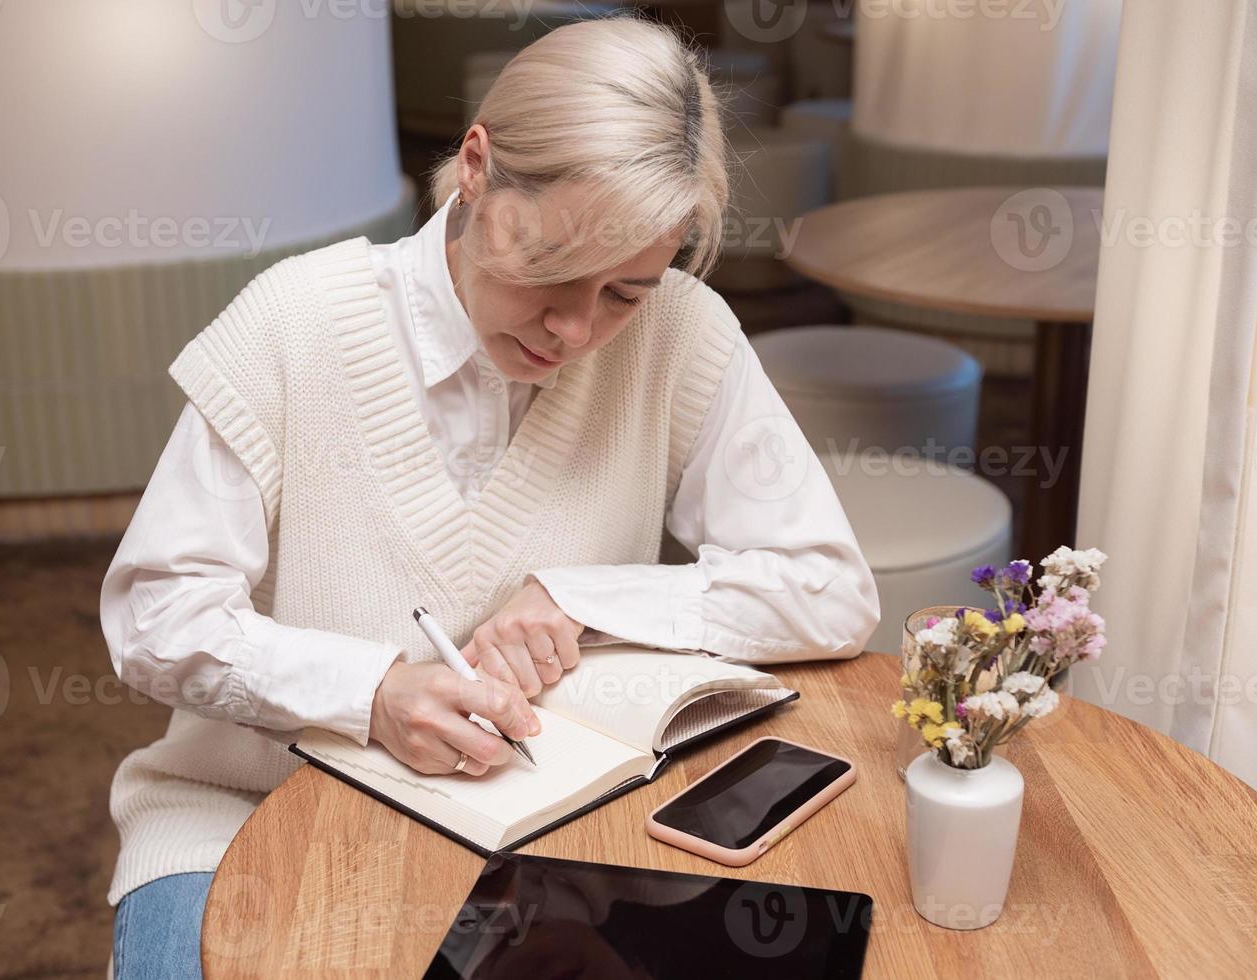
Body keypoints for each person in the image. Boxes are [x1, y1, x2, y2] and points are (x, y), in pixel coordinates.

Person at [99, 15, 879, 978]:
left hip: (543, 844)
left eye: (624, 292)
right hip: (238, 817)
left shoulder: (678, 333)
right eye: (550, 271)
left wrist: (577, 597)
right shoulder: (294, 323)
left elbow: (829, 588)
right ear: (477, 166)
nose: (576, 330)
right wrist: (373, 693)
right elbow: (153, 619)